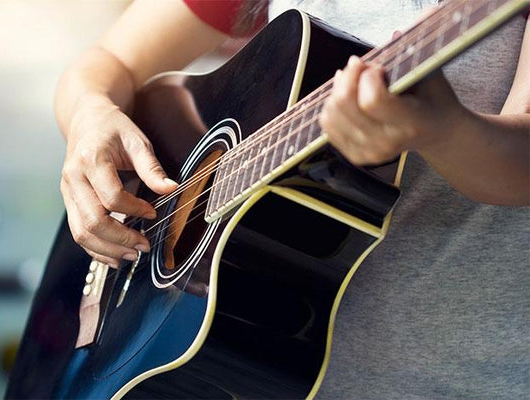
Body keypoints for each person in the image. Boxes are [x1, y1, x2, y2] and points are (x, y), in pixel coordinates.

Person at [54, 0, 529, 398]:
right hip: (243, 365)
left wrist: (444, 129)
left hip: (456, 374)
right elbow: (106, 63)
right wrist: (88, 118)